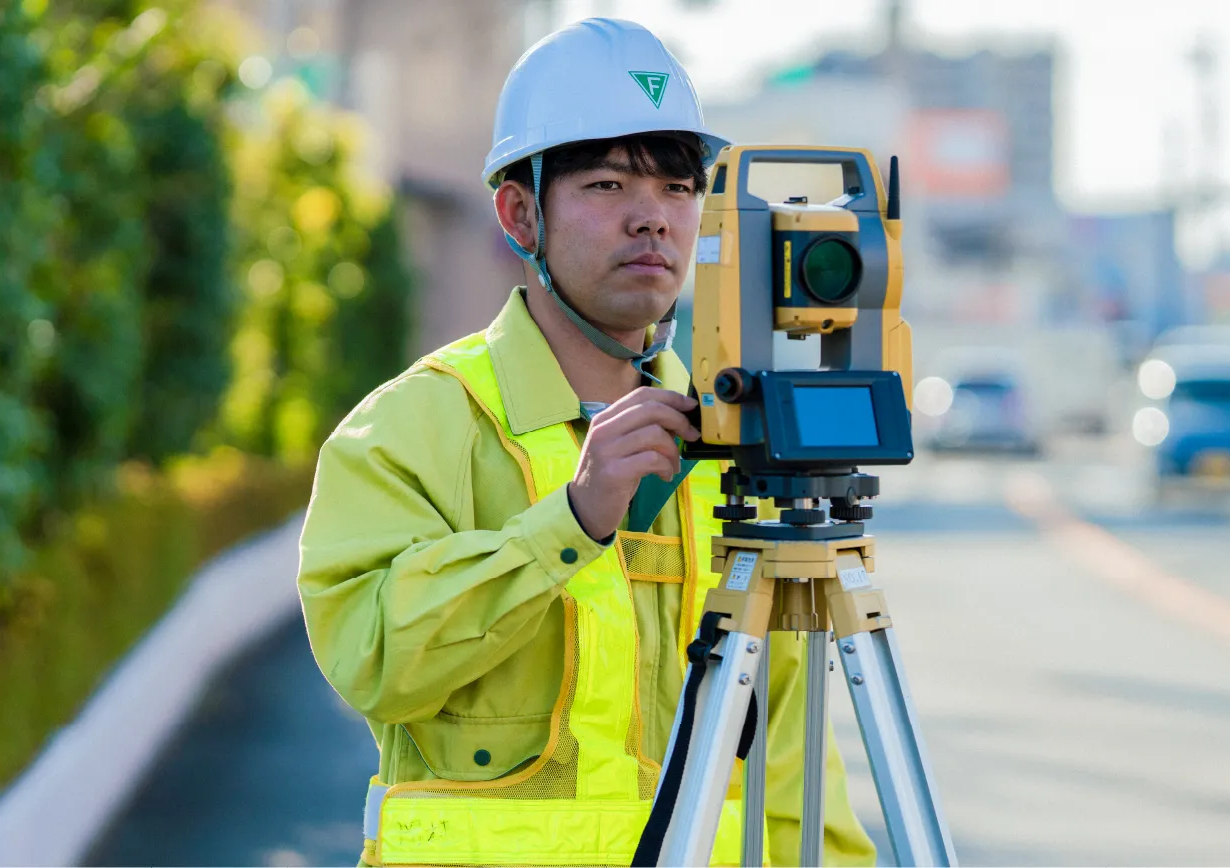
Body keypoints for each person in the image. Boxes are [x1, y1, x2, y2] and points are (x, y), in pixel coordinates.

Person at [297, 17, 877, 867]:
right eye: (607, 185)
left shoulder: (738, 443)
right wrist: (568, 522)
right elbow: (372, 660)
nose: (653, 220)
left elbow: (790, 764)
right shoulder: (415, 426)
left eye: (679, 189)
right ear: (518, 211)